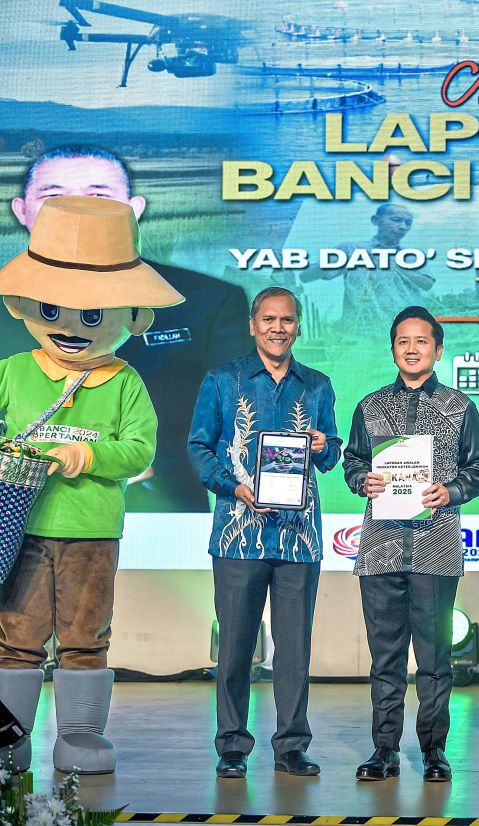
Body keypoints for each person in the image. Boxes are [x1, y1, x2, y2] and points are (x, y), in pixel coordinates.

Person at [0, 196, 182, 774]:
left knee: (84, 636)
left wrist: (84, 453)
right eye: (53, 309)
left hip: (91, 530)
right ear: (23, 304)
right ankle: (9, 737)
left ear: (131, 316)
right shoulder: (15, 370)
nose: (73, 328)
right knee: (14, 637)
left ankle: (79, 735)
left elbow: (141, 449)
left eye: (94, 314)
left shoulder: (124, 380)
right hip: (20, 529)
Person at [7, 144, 251, 512]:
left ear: (135, 209)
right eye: (54, 196)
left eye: (99, 195)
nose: (78, 210)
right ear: (21, 210)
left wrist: (129, 460)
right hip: (17, 504)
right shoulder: (5, 297)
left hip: (164, 508)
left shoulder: (207, 300)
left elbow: (235, 415)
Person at [188, 286, 342, 779]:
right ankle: (232, 747)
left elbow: (332, 453)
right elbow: (199, 448)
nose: (279, 328)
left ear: (299, 326)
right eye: (269, 319)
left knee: (295, 650)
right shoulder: (222, 380)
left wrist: (323, 444)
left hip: (299, 539)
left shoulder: (317, 385)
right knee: (235, 647)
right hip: (239, 535)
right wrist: (234, 487)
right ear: (253, 324)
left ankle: (291, 745)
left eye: (288, 320)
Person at [342, 306, 479, 783]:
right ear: (393, 349)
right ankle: (383, 750)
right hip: (381, 549)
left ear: (438, 350)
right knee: (385, 661)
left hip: (436, 549)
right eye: (403, 341)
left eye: (421, 341)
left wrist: (450, 491)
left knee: (434, 662)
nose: (412, 348)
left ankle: (434, 753)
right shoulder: (369, 406)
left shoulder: (460, 407)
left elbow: (478, 471)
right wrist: (362, 479)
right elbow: (352, 463)